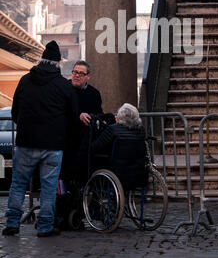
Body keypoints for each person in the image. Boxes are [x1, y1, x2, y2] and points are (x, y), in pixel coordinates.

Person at [2, 40, 78, 237]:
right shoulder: (63, 85)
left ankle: (12, 223)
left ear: (41, 60)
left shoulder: (25, 80)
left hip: (26, 142)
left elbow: (15, 111)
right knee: (49, 187)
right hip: (53, 145)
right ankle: (45, 226)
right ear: (58, 63)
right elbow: (73, 116)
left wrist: (26, 128)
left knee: (18, 184)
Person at [60, 60, 103, 183]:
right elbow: (59, 111)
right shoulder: (64, 89)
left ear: (88, 76)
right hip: (66, 140)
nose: (76, 75)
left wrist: (95, 117)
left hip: (85, 141)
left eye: (81, 73)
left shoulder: (94, 93)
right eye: (75, 72)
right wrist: (78, 115)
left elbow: (99, 113)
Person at [91, 103, 146, 191]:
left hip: (118, 170)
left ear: (121, 117)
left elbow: (96, 146)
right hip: (138, 170)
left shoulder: (113, 129)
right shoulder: (141, 130)